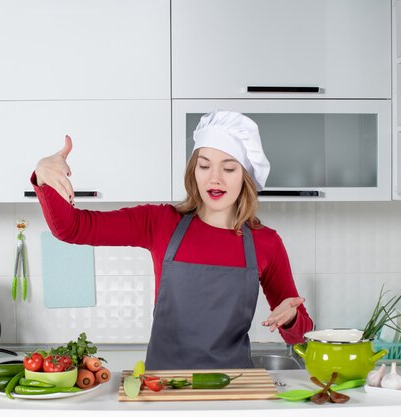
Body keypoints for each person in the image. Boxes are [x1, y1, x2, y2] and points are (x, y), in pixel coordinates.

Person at [32, 110, 314, 370]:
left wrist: (290, 319)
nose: (214, 178)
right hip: (164, 389)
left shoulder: (266, 242)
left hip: (233, 390)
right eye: (204, 166)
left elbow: (302, 333)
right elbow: (72, 228)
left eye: (228, 169)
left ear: (246, 177)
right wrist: (44, 174)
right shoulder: (160, 222)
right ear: (194, 170)